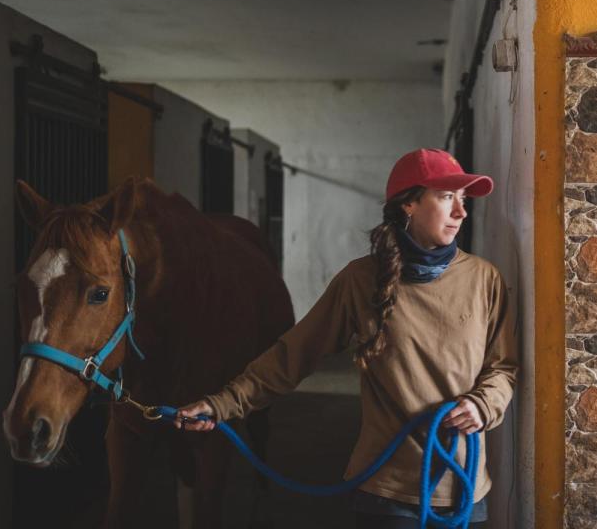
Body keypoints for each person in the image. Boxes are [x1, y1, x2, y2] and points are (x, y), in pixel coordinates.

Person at [174, 148, 519, 529]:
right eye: (445, 196)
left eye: (463, 199)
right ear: (408, 204)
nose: (461, 212)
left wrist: (483, 405)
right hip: (387, 494)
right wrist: (221, 405)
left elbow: (503, 367)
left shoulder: (484, 279)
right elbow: (292, 356)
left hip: (465, 489)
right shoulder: (360, 281)